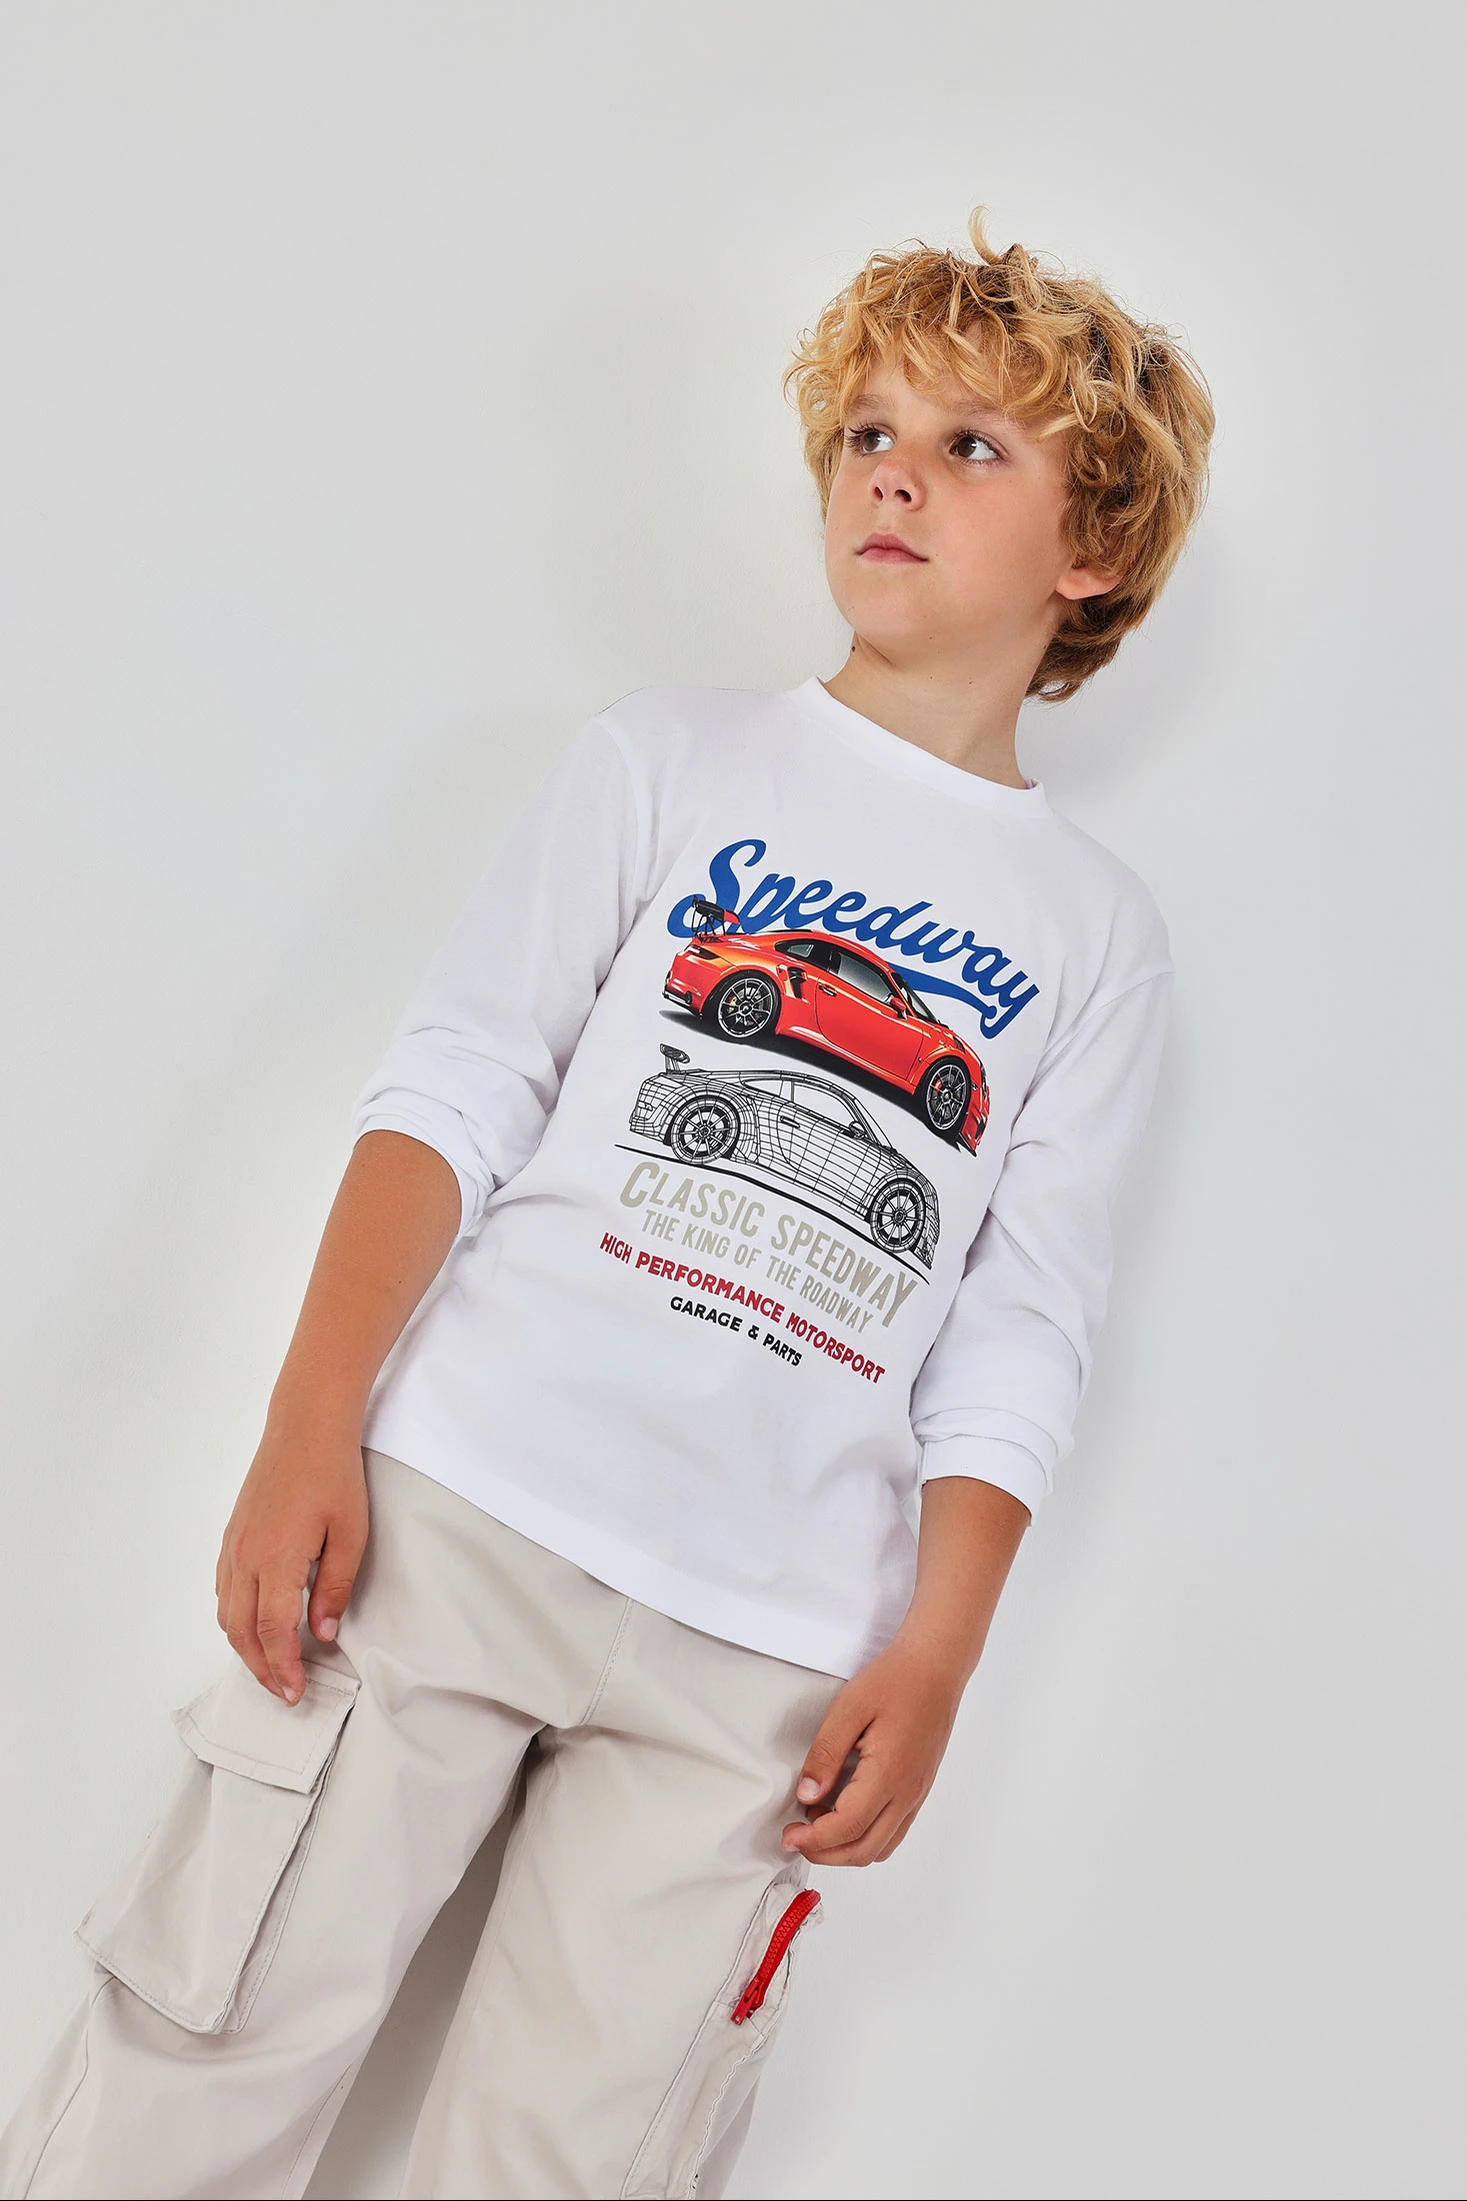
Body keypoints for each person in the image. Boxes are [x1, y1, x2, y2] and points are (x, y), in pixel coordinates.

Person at [0, 209, 1213, 2201]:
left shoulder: (1093, 933)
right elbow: (454, 1091)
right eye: (866, 434)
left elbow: (1023, 1324)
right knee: (203, 2054)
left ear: (1091, 547)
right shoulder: (672, 758)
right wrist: (310, 1424)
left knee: (571, 2160)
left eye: (969, 445)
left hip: (770, 1653)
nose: (891, 473)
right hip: (456, 1515)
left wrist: (938, 1651)